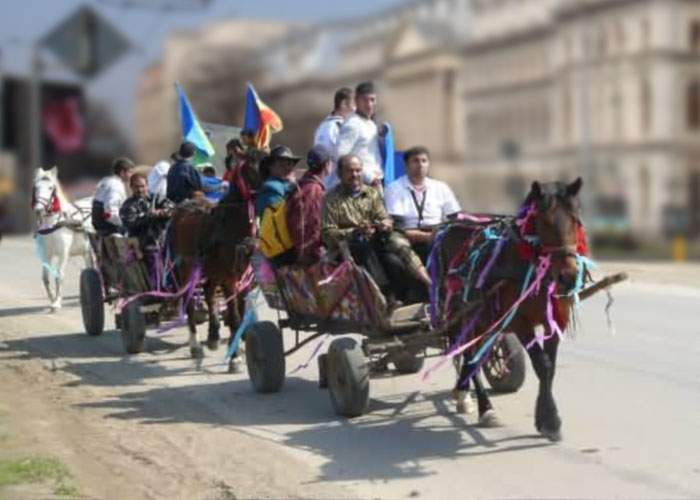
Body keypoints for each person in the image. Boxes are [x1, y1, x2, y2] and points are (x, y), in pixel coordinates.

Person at [322, 154, 431, 305]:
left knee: (395, 254)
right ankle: (386, 296)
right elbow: (328, 233)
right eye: (350, 171)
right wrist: (354, 232)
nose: (355, 175)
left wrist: (385, 224)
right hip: (348, 248)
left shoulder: (371, 193)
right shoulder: (331, 199)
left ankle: (426, 285)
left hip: (374, 240)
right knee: (365, 250)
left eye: (358, 171)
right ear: (340, 174)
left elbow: (383, 217)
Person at [385, 146, 462, 263]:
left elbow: (454, 216)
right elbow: (397, 224)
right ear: (406, 165)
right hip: (408, 235)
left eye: (424, 161)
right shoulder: (394, 188)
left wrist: (441, 234)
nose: (420, 165)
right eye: (415, 161)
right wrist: (425, 237)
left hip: (436, 233)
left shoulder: (441, 187)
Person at [120, 173, 173, 287]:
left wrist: (165, 212)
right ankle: (159, 290)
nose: (140, 189)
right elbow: (131, 223)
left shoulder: (156, 198)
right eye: (136, 187)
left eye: (142, 186)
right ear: (131, 187)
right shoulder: (128, 205)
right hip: (145, 243)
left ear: (147, 186)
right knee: (154, 260)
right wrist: (150, 215)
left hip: (166, 240)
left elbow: (172, 207)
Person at [286, 145, 333, 265]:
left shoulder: (304, 185)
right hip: (308, 256)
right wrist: (313, 254)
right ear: (327, 165)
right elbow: (311, 225)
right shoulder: (314, 190)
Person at [256, 146, 301, 267]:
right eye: (281, 163)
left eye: (290, 163)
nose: (287, 167)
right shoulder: (270, 188)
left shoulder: (289, 185)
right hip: (282, 251)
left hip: (289, 246)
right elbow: (280, 223)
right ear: (271, 167)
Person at [335, 81, 383, 188]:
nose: (369, 104)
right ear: (356, 101)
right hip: (360, 185)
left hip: (376, 183)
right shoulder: (352, 124)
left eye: (372, 100)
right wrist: (368, 177)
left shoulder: (370, 123)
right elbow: (341, 157)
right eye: (365, 100)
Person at [313, 87, 354, 187]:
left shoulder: (325, 126)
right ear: (344, 104)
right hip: (335, 185)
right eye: (355, 104)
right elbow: (339, 158)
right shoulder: (333, 128)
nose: (356, 109)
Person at [92, 157, 134, 236]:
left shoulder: (105, 182)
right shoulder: (116, 185)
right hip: (109, 227)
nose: (131, 175)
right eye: (130, 172)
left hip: (99, 226)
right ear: (122, 172)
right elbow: (110, 212)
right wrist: (125, 223)